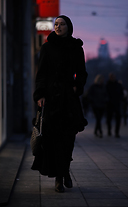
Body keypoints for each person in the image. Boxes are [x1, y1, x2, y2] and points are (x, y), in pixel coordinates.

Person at [31, 15, 88, 193]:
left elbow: (82, 73)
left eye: (61, 24)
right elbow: (41, 73)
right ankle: (58, 177)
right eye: (56, 24)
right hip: (51, 98)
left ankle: (65, 171)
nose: (58, 27)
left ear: (68, 27)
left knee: (68, 138)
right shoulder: (47, 48)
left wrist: (76, 87)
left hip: (68, 100)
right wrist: (40, 94)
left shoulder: (76, 48)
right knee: (52, 138)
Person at [106, 73, 123, 138]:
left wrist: (120, 99)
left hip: (116, 103)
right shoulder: (107, 85)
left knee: (118, 118)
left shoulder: (118, 85)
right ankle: (109, 130)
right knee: (109, 118)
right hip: (109, 104)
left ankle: (116, 132)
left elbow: (121, 93)